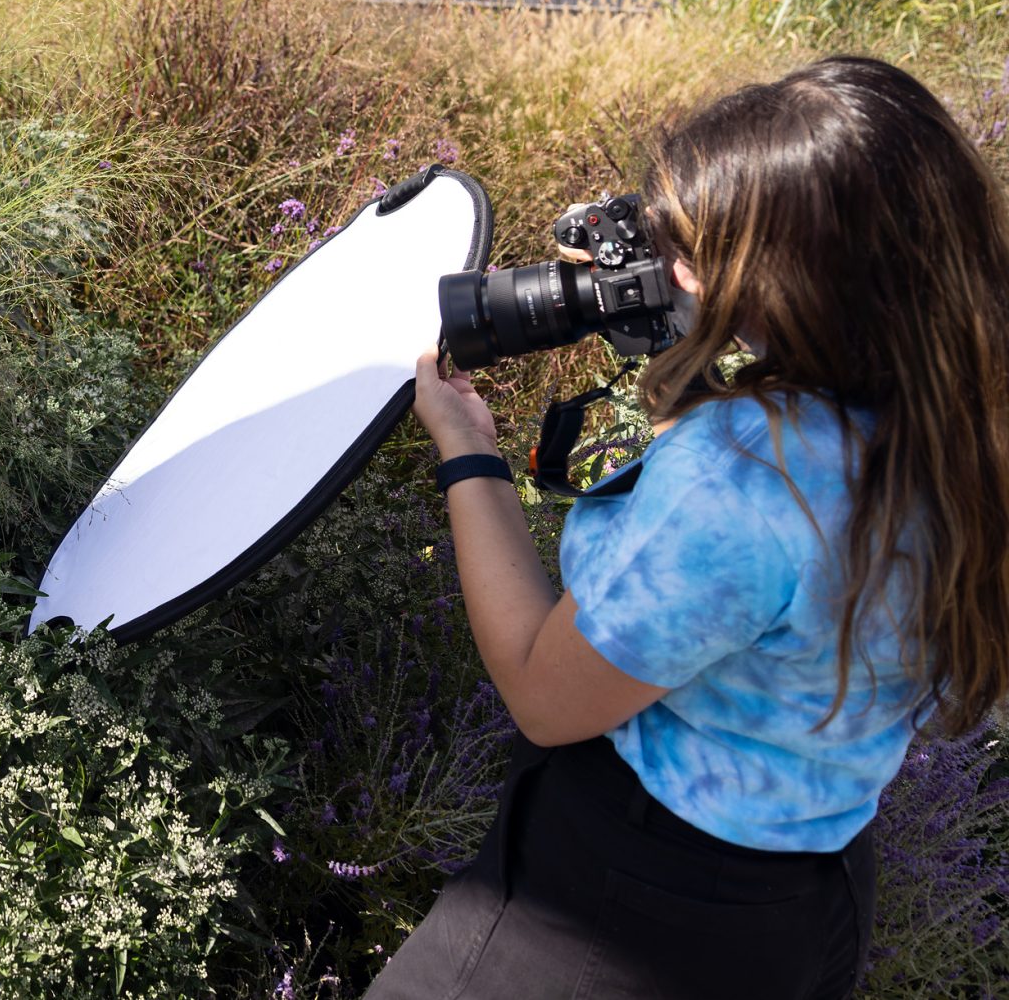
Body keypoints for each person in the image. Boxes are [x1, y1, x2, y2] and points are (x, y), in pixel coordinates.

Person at [371, 57, 1009, 998]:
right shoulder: (959, 413)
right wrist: (700, 353)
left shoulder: (744, 479)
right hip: (808, 898)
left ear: (797, 286)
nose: (670, 271)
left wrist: (468, 453)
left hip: (627, 909)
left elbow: (546, 697)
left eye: (696, 257)